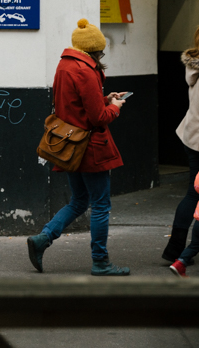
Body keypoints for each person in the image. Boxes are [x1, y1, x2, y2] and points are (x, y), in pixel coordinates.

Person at [26, 18, 129, 276]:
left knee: (80, 200)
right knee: (101, 204)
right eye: (100, 51)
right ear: (94, 49)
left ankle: (43, 239)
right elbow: (98, 118)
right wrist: (114, 108)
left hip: (69, 144)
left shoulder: (65, 65)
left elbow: (77, 103)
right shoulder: (85, 70)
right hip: (91, 147)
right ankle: (101, 262)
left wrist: (105, 98)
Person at [164, 23, 199, 265]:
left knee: (192, 193)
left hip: (193, 138)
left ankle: (174, 250)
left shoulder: (195, 65)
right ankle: (186, 251)